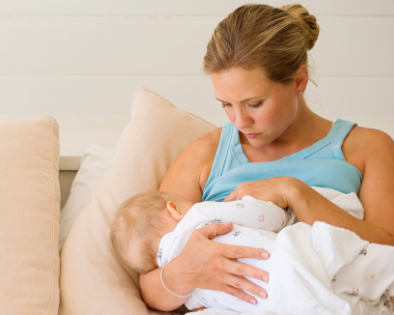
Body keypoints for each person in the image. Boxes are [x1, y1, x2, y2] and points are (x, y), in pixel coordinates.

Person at [138, 3, 394, 312]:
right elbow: (150, 286)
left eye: (254, 103)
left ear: (299, 81)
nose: (239, 121)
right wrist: (183, 272)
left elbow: (387, 251)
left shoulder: (366, 147)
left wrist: (294, 191)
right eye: (226, 104)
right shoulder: (204, 155)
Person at [112, 191, 394, 313]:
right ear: (173, 208)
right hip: (296, 258)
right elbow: (255, 213)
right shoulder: (198, 215)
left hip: (283, 302)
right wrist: (280, 215)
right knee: (374, 268)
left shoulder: (191, 296)